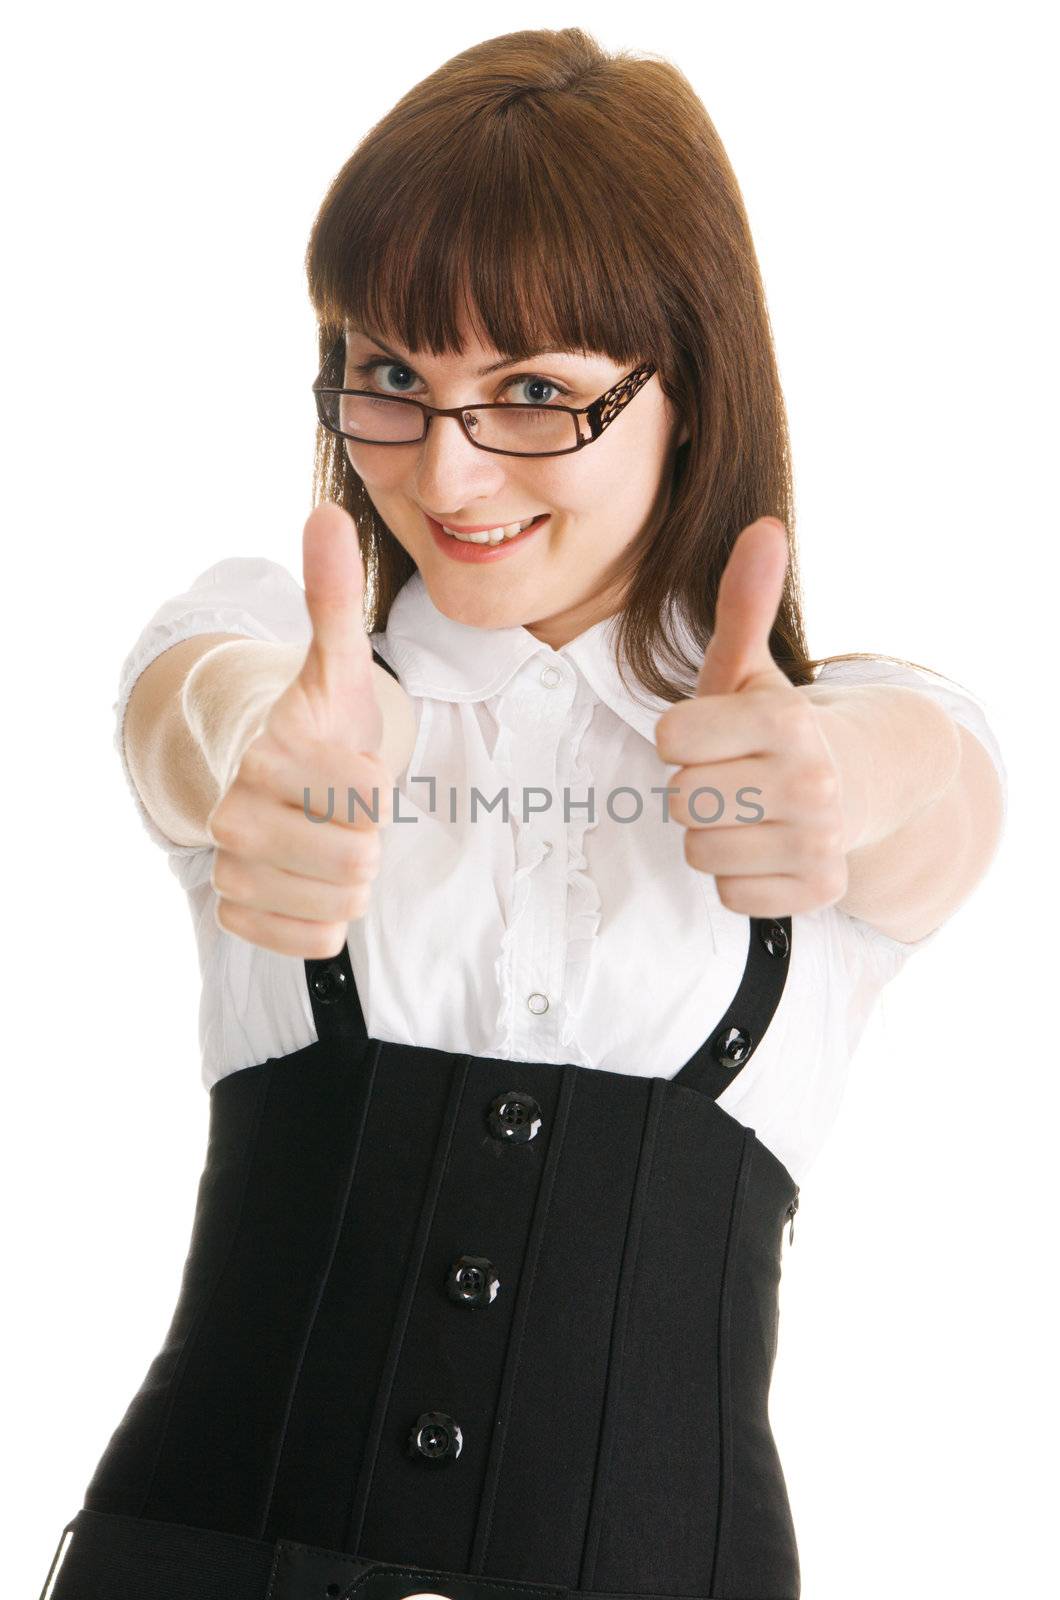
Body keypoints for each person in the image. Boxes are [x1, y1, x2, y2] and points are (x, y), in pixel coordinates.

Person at [38, 26, 1006, 1600]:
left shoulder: (820, 730)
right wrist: (250, 763)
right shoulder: (280, 661)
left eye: (536, 391)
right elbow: (189, 716)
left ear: (687, 383)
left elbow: (941, 789)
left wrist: (847, 779)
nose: (448, 466)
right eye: (391, 380)